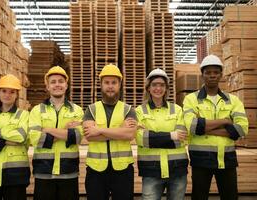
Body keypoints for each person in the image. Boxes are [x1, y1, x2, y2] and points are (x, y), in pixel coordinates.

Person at [183, 54, 249, 200]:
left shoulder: (233, 100)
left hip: (226, 159)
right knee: (199, 197)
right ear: (202, 75)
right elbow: (193, 127)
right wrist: (225, 121)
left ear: (221, 74)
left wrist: (205, 127)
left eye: (215, 72)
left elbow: (241, 129)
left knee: (230, 197)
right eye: (208, 72)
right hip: (201, 160)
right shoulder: (191, 99)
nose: (212, 76)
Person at [82, 64, 137, 200]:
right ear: (101, 84)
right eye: (106, 82)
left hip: (123, 170)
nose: (110, 86)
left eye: (114, 82)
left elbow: (129, 135)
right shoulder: (92, 109)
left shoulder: (128, 109)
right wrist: (120, 130)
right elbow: (90, 136)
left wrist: (99, 130)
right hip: (96, 170)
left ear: (120, 85)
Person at [29, 66, 83, 200]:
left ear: (66, 85)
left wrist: (47, 129)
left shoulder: (77, 110)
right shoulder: (37, 110)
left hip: (68, 171)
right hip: (44, 172)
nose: (57, 84)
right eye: (53, 82)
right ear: (47, 86)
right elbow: (36, 139)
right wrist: (65, 133)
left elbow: (77, 137)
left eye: (60, 81)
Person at [135, 68, 188, 200]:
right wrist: (171, 135)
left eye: (162, 85)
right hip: (151, 170)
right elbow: (142, 139)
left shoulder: (177, 110)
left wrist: (154, 137)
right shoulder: (139, 111)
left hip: (177, 169)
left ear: (166, 88)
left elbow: (180, 139)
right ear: (148, 88)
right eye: (154, 85)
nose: (158, 88)